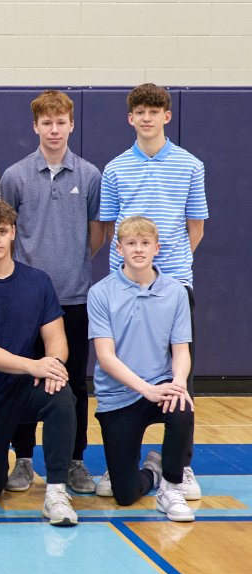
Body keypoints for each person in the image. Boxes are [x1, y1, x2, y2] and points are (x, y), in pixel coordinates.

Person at [98, 83, 207, 500]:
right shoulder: (115, 169)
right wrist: (134, 271)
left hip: (174, 283)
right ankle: (123, 459)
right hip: (123, 286)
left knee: (180, 372)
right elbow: (110, 228)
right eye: (140, 112)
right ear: (131, 118)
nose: (147, 118)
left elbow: (195, 227)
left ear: (167, 116)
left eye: (154, 111)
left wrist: (165, 275)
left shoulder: (190, 165)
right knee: (124, 366)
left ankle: (180, 465)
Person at [0, 90, 103, 495]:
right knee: (24, 378)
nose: (54, 129)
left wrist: (72, 263)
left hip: (73, 297)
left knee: (73, 383)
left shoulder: (89, 175)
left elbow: (97, 234)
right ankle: (23, 459)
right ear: (35, 126)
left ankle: (74, 460)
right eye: (47, 123)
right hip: (25, 300)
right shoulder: (15, 176)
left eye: (61, 122)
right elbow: (6, 234)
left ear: (71, 125)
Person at [0, 200, 79, 527]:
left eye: (1, 231)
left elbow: (56, 337)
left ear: (13, 232)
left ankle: (56, 493)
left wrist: (53, 366)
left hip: (27, 389)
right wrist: (33, 365)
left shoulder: (38, 281)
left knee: (61, 395)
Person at [88, 216, 195, 522]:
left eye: (145, 243)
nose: (138, 249)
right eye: (131, 243)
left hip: (160, 384)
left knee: (181, 405)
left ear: (156, 248)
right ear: (118, 248)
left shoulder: (176, 292)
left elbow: (181, 351)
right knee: (125, 495)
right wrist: (145, 389)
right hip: (119, 395)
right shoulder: (101, 293)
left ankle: (171, 488)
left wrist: (178, 382)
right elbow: (106, 357)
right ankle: (153, 471)